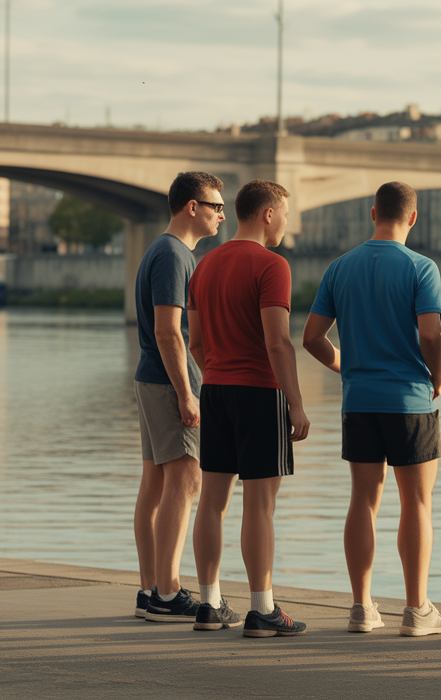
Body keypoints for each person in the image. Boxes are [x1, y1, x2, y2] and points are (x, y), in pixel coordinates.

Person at [302, 181, 441, 637]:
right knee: (417, 503)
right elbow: (430, 333)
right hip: (410, 400)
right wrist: (439, 376)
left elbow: (311, 338)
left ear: (373, 213)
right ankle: (416, 610)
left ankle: (361, 607)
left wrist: (346, 367)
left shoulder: (339, 267)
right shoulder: (421, 267)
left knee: (363, 502)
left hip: (359, 401)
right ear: (413, 218)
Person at [187, 179, 311, 637]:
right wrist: (295, 402)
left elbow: (195, 343)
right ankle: (262, 609)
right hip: (260, 392)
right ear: (268, 214)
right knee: (260, 504)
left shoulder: (203, 266)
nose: (286, 223)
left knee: (212, 503)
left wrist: (217, 370)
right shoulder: (271, 265)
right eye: (285, 214)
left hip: (215, 389)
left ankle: (209, 603)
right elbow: (278, 341)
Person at [134, 172, 225, 622]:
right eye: (215, 206)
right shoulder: (174, 255)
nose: (221, 214)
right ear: (192, 206)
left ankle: (150, 588)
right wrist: (188, 393)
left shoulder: (162, 250)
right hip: (169, 381)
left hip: (150, 377)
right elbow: (169, 330)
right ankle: (168, 594)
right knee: (186, 481)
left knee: (154, 484)